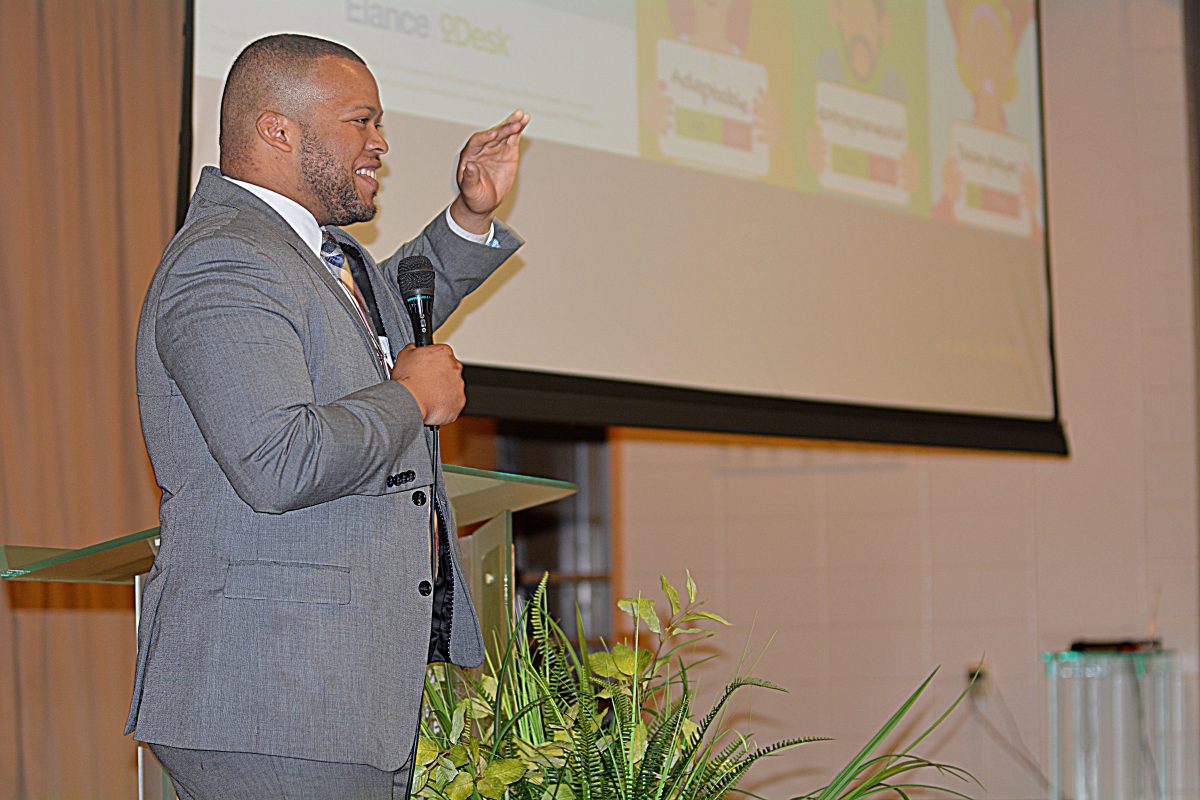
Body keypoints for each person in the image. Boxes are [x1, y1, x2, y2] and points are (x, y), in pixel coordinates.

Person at [124, 33, 528, 798]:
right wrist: (411, 398)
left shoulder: (307, 253)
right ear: (278, 129)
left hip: (324, 697)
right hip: (273, 697)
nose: (380, 144)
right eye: (360, 122)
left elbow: (377, 327)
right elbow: (278, 460)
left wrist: (469, 215)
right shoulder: (225, 259)